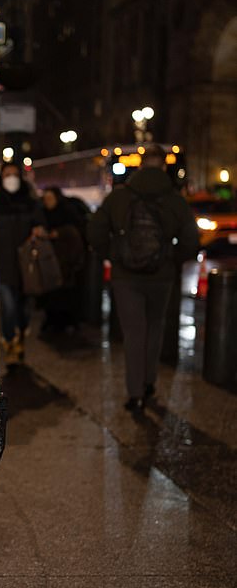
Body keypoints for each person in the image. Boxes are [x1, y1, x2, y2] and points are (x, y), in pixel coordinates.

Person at [88, 144, 199, 412]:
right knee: (155, 328)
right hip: (161, 276)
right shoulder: (175, 199)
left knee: (133, 333)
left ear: (140, 165)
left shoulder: (120, 196)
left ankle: (134, 393)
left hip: (126, 276)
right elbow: (191, 241)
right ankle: (149, 383)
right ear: (163, 166)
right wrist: (171, 259)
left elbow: (95, 230)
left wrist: (113, 255)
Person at [0, 164, 43, 364]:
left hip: (26, 266)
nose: (11, 178)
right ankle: (9, 340)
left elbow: (40, 225)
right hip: (2, 265)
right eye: (7, 175)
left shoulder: (30, 203)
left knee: (23, 307)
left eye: (14, 174)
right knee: (9, 306)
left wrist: (38, 231)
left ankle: (20, 336)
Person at [37, 186, 85, 333]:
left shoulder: (68, 213)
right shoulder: (42, 214)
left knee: (66, 295)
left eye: (50, 198)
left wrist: (56, 234)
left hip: (66, 263)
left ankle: (68, 322)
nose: (48, 202)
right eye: (45, 199)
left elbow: (76, 234)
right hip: (50, 262)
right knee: (52, 295)